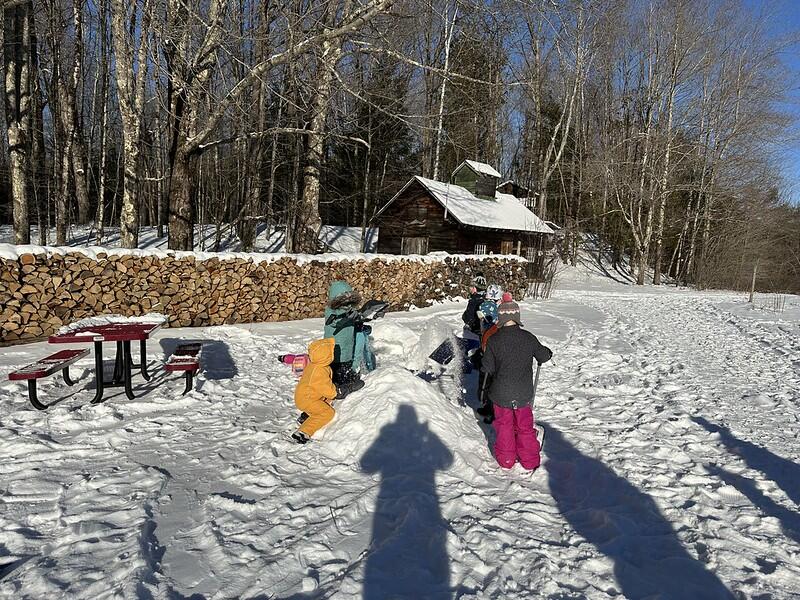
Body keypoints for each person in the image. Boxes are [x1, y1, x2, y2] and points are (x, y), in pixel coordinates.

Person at [481, 299, 552, 470]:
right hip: (523, 393)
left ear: (500, 318)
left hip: (501, 394)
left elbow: (487, 367)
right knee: (524, 426)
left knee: (504, 426)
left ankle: (506, 459)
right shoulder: (528, 338)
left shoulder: (494, 340)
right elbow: (543, 356)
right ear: (517, 316)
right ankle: (529, 461)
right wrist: (548, 352)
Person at [291, 338, 339, 444]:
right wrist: (337, 392)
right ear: (326, 356)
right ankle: (303, 432)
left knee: (327, 401)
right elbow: (326, 389)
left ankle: (307, 416)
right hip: (307, 400)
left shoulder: (316, 365)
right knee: (327, 413)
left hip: (308, 396)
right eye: (331, 352)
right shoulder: (319, 370)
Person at [324, 280, 362, 386]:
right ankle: (337, 385)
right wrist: (346, 317)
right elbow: (334, 322)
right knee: (336, 368)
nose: (348, 303)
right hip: (335, 347)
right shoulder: (331, 311)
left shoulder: (350, 309)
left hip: (347, 347)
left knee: (346, 364)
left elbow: (354, 319)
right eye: (345, 300)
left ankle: (347, 378)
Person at [461, 272, 488, 336]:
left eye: (471, 286)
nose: (470, 288)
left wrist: (464, 316)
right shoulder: (487, 299)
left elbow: (469, 318)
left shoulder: (474, 301)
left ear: (475, 288)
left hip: (475, 332)